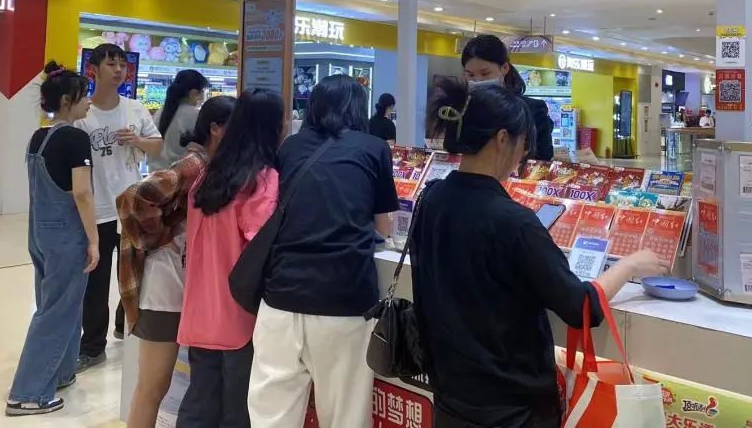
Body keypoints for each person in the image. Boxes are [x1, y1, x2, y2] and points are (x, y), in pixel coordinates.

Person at [412, 80, 669, 428]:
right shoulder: (514, 222)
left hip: (449, 401)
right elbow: (580, 306)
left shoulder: (430, 199)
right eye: (522, 144)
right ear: (502, 139)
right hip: (512, 411)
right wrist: (630, 265)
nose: (523, 156)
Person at [247, 75, 399, 428]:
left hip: (280, 298)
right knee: (344, 415)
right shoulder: (374, 147)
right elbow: (384, 228)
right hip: (344, 299)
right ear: (358, 108)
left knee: (271, 416)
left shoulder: (291, 147)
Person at [117, 96, 236, 428]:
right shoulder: (195, 165)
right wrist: (160, 235)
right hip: (164, 287)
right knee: (153, 387)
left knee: (157, 386)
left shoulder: (209, 166)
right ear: (216, 129)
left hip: (177, 285)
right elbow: (133, 197)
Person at [176, 89, 284, 428]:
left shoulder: (208, 176)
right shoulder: (262, 179)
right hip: (240, 317)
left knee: (199, 406)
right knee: (238, 413)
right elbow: (260, 247)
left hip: (199, 312)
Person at [5, 62, 99, 416]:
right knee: (57, 311)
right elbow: (82, 193)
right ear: (66, 101)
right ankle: (27, 393)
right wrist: (93, 239)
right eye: (84, 96)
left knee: (60, 304)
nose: (89, 102)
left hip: (40, 232)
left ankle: (60, 371)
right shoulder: (76, 139)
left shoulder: (38, 137)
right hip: (66, 236)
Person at [75, 43, 163, 371]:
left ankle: (125, 327)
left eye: (122, 65)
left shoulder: (135, 109)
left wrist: (137, 141)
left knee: (134, 275)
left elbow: (157, 146)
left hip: (129, 208)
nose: (119, 70)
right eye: (111, 64)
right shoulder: (83, 114)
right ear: (93, 70)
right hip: (96, 210)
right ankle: (92, 345)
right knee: (95, 283)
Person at [461, 35, 555, 161]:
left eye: (485, 73)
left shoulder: (533, 109)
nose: (477, 80)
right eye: (470, 75)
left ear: (504, 68)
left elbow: (543, 158)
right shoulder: (462, 108)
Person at [150, 69, 209, 171]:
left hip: (155, 173)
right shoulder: (194, 114)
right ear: (194, 93)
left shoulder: (160, 112)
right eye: (202, 91)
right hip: (179, 175)